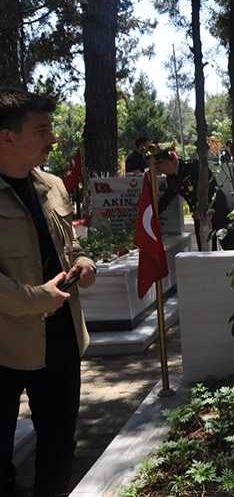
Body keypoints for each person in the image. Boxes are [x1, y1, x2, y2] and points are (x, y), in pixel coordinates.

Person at [0, 87, 97, 497]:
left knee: (58, 446)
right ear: (8, 137)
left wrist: (84, 263)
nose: (53, 138)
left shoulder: (54, 186)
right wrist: (36, 297)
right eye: (41, 130)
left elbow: (71, 246)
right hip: (4, 347)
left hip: (59, 338)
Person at [155, 148, 234, 250]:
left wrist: (202, 208)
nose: (159, 170)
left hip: (217, 209)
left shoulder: (193, 167)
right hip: (199, 217)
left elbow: (208, 188)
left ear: (167, 163)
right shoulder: (172, 178)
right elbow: (167, 198)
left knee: (229, 245)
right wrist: (154, 212)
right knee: (204, 249)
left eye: (159, 167)